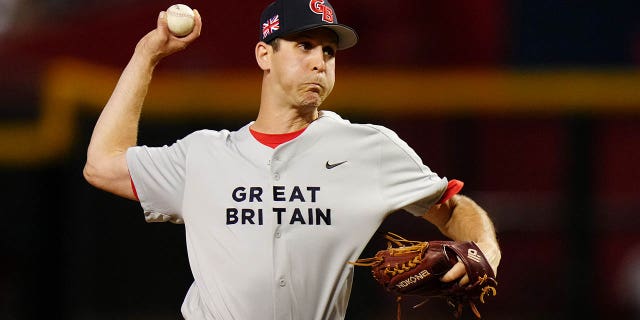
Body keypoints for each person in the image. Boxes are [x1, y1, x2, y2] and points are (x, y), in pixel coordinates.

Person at [83, 0, 501, 319]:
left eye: (329, 52)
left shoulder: (369, 148)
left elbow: (452, 208)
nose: (319, 61)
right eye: (304, 45)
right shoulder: (203, 155)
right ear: (265, 55)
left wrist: (484, 250)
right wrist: (146, 55)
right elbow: (102, 164)